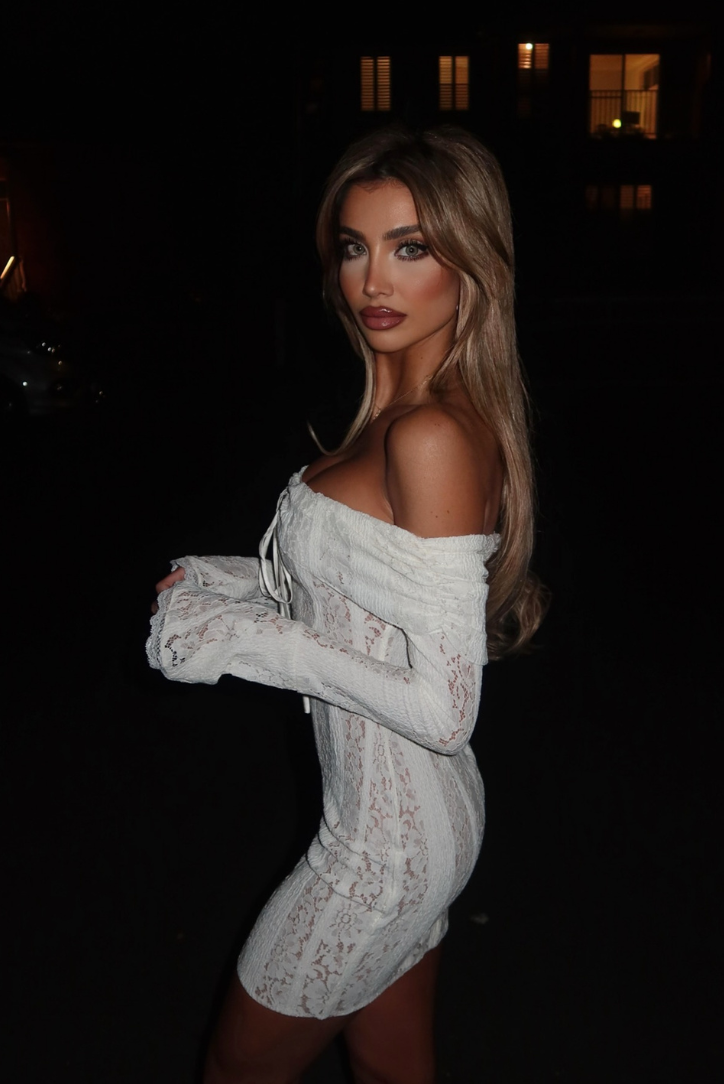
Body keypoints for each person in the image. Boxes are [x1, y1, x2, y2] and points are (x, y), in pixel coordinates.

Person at [148, 126, 545, 1084]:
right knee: (392, 1070)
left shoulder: (432, 436)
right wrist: (226, 582)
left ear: (470, 263)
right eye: (354, 246)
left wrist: (245, 641)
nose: (373, 279)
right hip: (414, 823)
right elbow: (352, 587)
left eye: (411, 248)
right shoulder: (394, 418)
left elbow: (444, 710)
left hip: (382, 849)